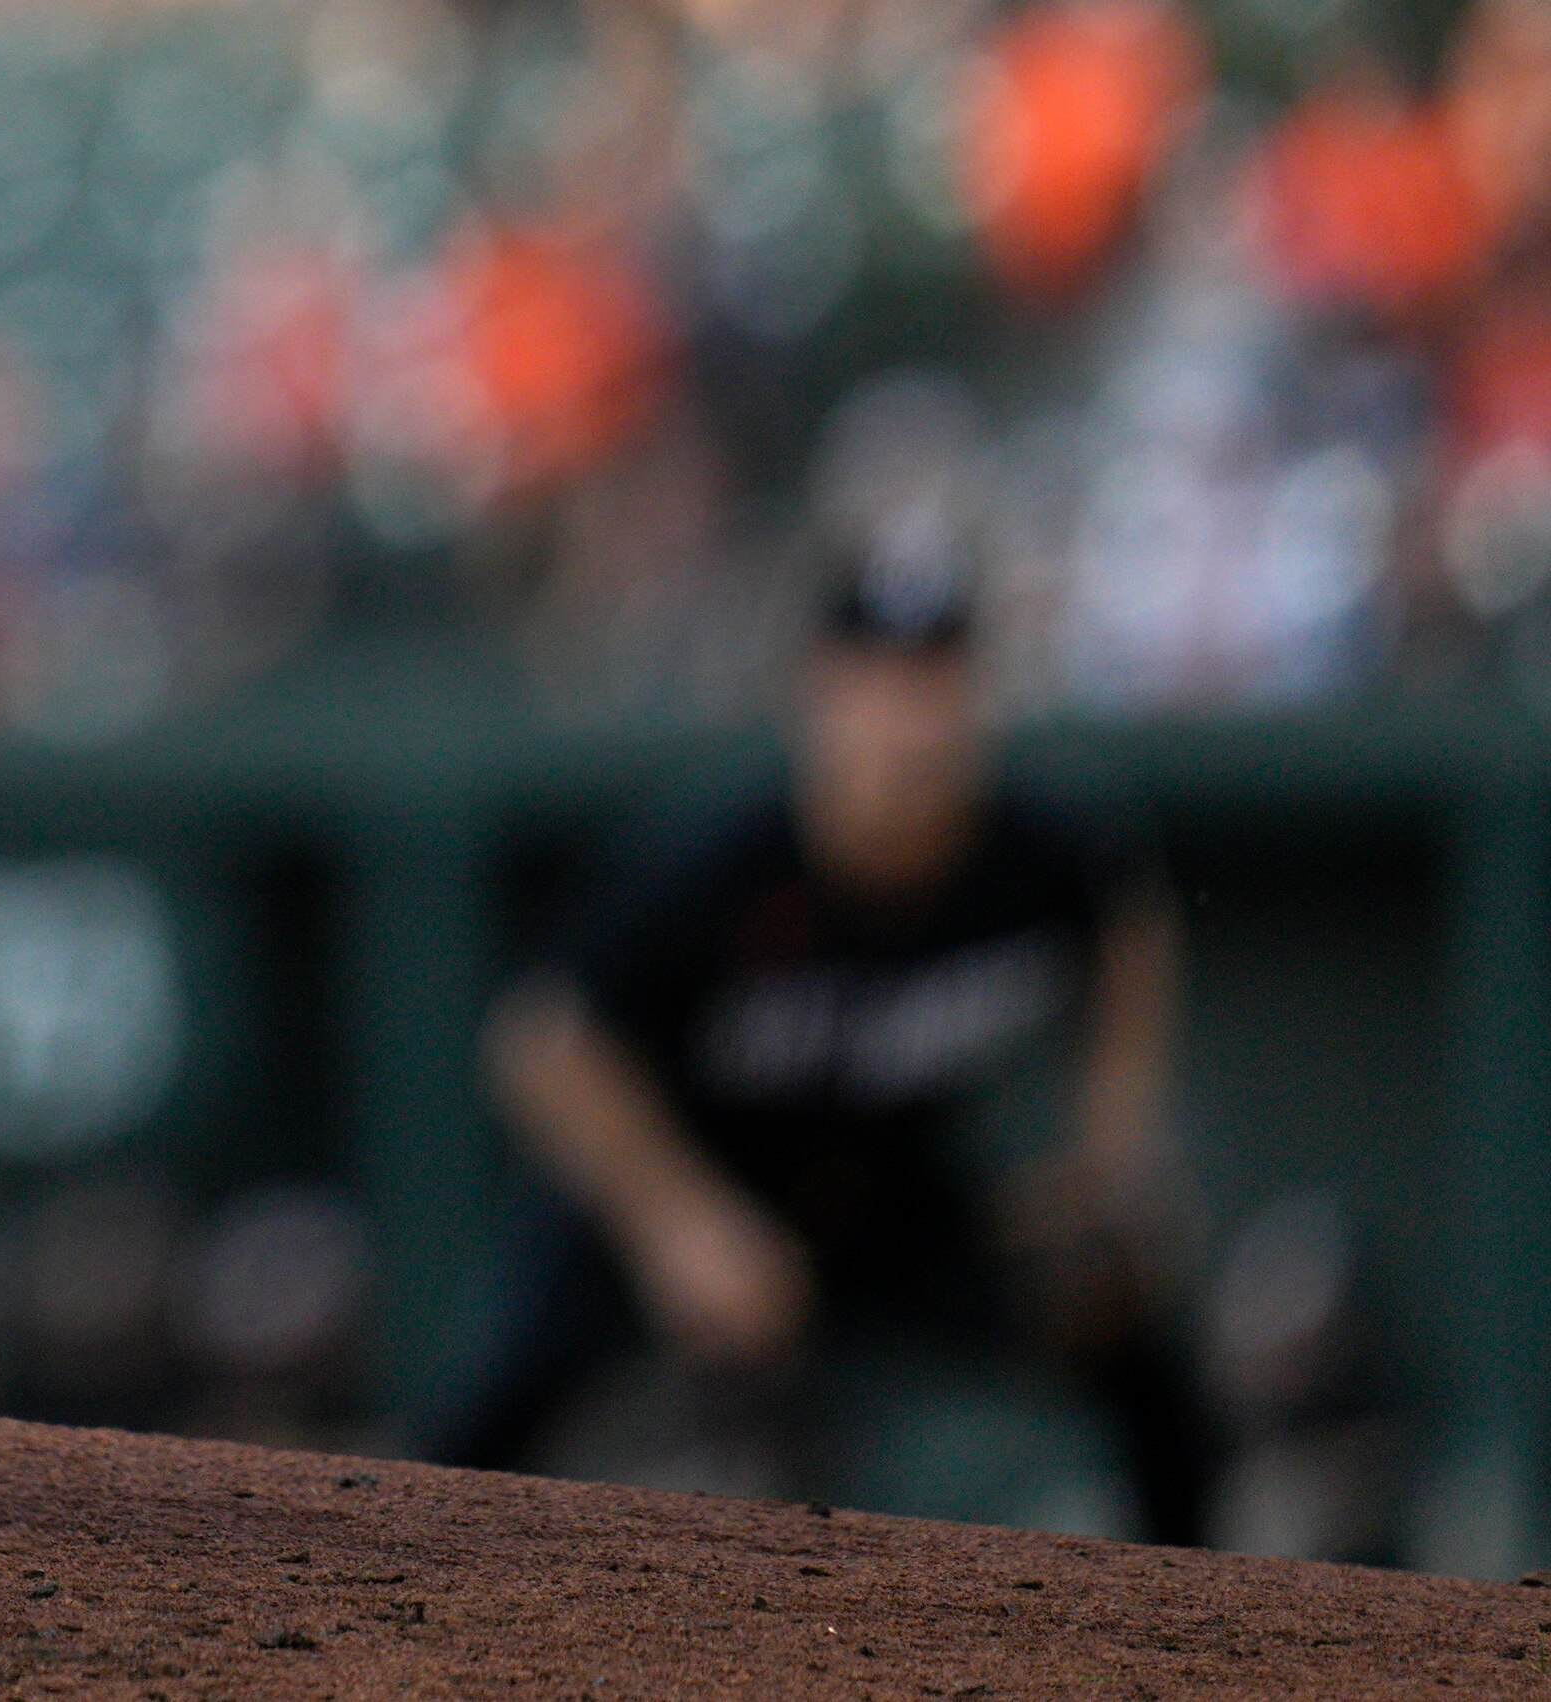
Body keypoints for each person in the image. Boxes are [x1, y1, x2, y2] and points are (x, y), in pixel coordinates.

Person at [428, 533, 1215, 1539]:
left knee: (1137, 1349)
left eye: (936, 682)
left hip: (886, 1192)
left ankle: (1197, 1629)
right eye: (877, 685)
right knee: (501, 1397)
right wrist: (678, 1223)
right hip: (680, 1175)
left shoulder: (1036, 845)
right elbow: (540, 1041)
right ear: (817, 698)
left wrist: (1113, 1137)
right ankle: (387, 1610)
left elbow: (1129, 923)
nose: (909, 719)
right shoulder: (726, 859)